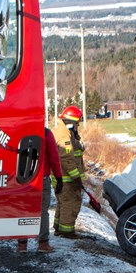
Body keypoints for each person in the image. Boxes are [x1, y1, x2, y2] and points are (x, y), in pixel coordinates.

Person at [18, 126, 63, 252]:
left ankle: (22, 244)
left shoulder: (20, 130)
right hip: (42, 178)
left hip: (22, 179)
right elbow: (54, 157)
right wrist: (59, 178)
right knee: (42, 211)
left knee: (23, 210)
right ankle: (43, 244)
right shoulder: (46, 133)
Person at [54, 106, 87, 237]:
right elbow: (67, 159)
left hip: (62, 178)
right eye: (77, 123)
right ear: (72, 123)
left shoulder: (66, 134)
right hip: (67, 179)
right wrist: (76, 178)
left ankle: (58, 227)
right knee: (70, 203)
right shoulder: (65, 138)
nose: (78, 126)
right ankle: (66, 232)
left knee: (62, 203)